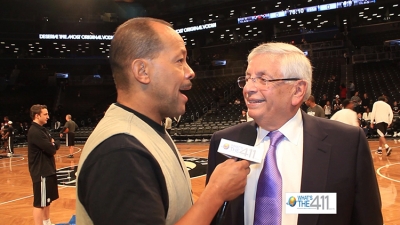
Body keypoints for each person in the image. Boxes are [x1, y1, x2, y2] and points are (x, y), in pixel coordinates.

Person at [76, 17, 250, 225]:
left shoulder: (145, 129)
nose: (190, 71)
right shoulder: (121, 152)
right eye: (179, 60)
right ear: (142, 71)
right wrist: (215, 194)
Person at [206, 42, 382, 225]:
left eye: (262, 79)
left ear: (298, 90)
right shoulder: (224, 142)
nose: (248, 89)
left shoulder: (347, 143)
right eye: (248, 78)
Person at [27, 104, 60, 225]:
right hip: (41, 172)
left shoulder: (42, 130)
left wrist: (53, 144)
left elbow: (54, 143)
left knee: (47, 200)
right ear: (37, 115)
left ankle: (47, 222)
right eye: (45, 114)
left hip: (47, 169)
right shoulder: (35, 131)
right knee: (39, 203)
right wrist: (53, 144)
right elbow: (51, 149)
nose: (48, 116)